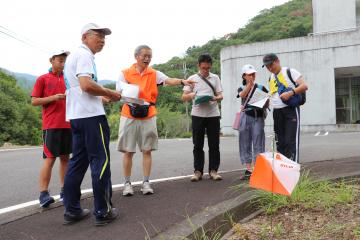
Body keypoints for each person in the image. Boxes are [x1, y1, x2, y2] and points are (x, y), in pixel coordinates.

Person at [116, 45, 195, 196]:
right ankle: (127, 184)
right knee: (128, 151)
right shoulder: (124, 73)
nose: (147, 58)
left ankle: (146, 182)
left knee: (147, 150)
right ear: (136, 56)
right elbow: (118, 93)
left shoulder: (154, 73)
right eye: (144, 55)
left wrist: (182, 82)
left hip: (149, 113)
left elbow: (168, 80)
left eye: (149, 56)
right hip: (129, 113)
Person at [63, 23, 121, 226]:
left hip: (76, 117)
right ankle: (102, 211)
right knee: (101, 162)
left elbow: (79, 88)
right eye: (98, 35)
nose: (102, 40)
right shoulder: (85, 55)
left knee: (77, 163)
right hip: (92, 118)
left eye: (104, 37)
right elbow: (87, 85)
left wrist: (101, 97)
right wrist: (110, 93)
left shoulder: (73, 57)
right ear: (84, 37)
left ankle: (71, 210)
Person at [31, 50, 71, 208]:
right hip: (51, 125)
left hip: (68, 123)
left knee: (65, 158)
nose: (62, 64)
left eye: (64, 61)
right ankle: (43, 194)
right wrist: (54, 97)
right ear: (51, 61)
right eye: (60, 60)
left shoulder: (68, 79)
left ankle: (65, 190)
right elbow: (34, 101)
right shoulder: (42, 79)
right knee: (50, 159)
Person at [182, 53, 223, 182]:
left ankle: (213, 171)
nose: (206, 71)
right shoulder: (192, 78)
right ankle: (198, 171)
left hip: (213, 114)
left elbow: (220, 95)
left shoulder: (215, 78)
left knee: (214, 144)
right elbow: (184, 97)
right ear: (198, 65)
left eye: (208, 68)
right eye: (203, 68)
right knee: (197, 144)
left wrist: (214, 98)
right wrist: (194, 95)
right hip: (197, 115)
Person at [262, 53, 308, 163]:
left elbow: (304, 86)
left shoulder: (290, 72)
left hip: (290, 110)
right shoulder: (271, 77)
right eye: (267, 67)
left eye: (271, 65)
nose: (270, 68)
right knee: (280, 142)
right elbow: (273, 94)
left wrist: (291, 93)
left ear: (277, 61)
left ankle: (293, 167)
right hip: (277, 112)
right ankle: (283, 167)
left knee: (290, 141)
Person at [236, 64, 269, 180]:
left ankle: (258, 169)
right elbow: (242, 95)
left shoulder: (261, 87)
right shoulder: (241, 87)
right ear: (244, 75)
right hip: (245, 116)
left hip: (258, 117)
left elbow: (267, 102)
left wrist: (265, 102)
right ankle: (249, 170)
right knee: (245, 142)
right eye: (249, 74)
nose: (252, 76)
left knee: (258, 142)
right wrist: (249, 85)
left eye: (253, 74)